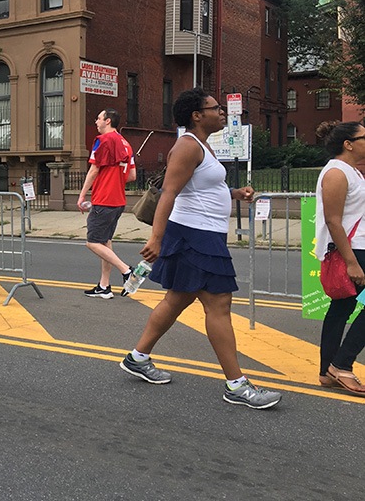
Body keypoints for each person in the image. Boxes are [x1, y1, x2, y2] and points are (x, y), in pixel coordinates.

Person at [118, 87, 282, 409]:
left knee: (177, 299)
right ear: (197, 115)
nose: (221, 112)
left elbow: (204, 186)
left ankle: (138, 357)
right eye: (214, 108)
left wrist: (234, 193)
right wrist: (157, 239)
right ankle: (236, 385)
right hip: (196, 236)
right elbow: (169, 193)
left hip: (201, 233)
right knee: (219, 305)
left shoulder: (202, 145)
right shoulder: (187, 146)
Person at [315, 120, 365, 396]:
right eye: (364, 137)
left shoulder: (353, 172)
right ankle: (342, 365)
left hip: (358, 248)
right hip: (353, 250)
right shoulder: (336, 173)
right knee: (341, 309)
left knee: (341, 309)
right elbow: (334, 221)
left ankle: (327, 371)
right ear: (348, 144)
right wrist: (351, 262)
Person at [78, 108, 136, 299]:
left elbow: (94, 169)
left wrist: (82, 195)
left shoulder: (103, 141)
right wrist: (115, 179)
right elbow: (132, 176)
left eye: (99, 118)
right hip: (118, 201)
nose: (96, 121)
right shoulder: (126, 144)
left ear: (108, 121)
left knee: (92, 242)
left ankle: (127, 271)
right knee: (105, 242)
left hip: (103, 199)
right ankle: (104, 286)